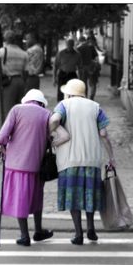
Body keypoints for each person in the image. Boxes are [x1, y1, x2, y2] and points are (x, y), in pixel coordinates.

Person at [49, 79, 116, 245]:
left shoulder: (63, 105)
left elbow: (54, 120)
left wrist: (52, 132)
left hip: (69, 160)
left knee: (73, 198)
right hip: (92, 159)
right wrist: (111, 157)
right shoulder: (95, 107)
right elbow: (103, 133)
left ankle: (78, 234)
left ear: (69, 93)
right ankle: (91, 228)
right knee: (89, 195)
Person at [0, 89, 53, 246]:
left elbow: (2, 136)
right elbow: (51, 139)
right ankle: (39, 230)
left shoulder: (16, 110)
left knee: (20, 199)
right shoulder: (47, 114)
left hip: (15, 164)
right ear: (41, 102)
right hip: (36, 164)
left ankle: (24, 235)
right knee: (36, 198)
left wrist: (1, 146)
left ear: (26, 100)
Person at [0, 30, 29, 120]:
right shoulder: (23, 53)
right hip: (20, 80)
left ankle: (9, 130)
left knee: (8, 108)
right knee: (20, 107)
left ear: (5, 39)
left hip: (8, 82)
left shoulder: (1, 52)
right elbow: (26, 71)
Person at [53, 38, 82, 102]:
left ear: (73, 45)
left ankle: (70, 104)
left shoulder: (77, 54)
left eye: (71, 44)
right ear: (66, 45)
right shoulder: (61, 53)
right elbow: (55, 66)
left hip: (72, 74)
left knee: (72, 92)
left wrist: (80, 79)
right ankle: (60, 104)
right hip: (62, 74)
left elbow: (80, 68)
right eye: (69, 44)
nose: (70, 46)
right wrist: (54, 78)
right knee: (61, 92)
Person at [77, 36, 100, 100]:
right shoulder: (91, 47)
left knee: (83, 83)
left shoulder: (79, 48)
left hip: (82, 68)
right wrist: (97, 65)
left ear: (80, 41)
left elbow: (77, 59)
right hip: (91, 67)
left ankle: (84, 96)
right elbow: (96, 57)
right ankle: (92, 96)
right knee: (93, 83)